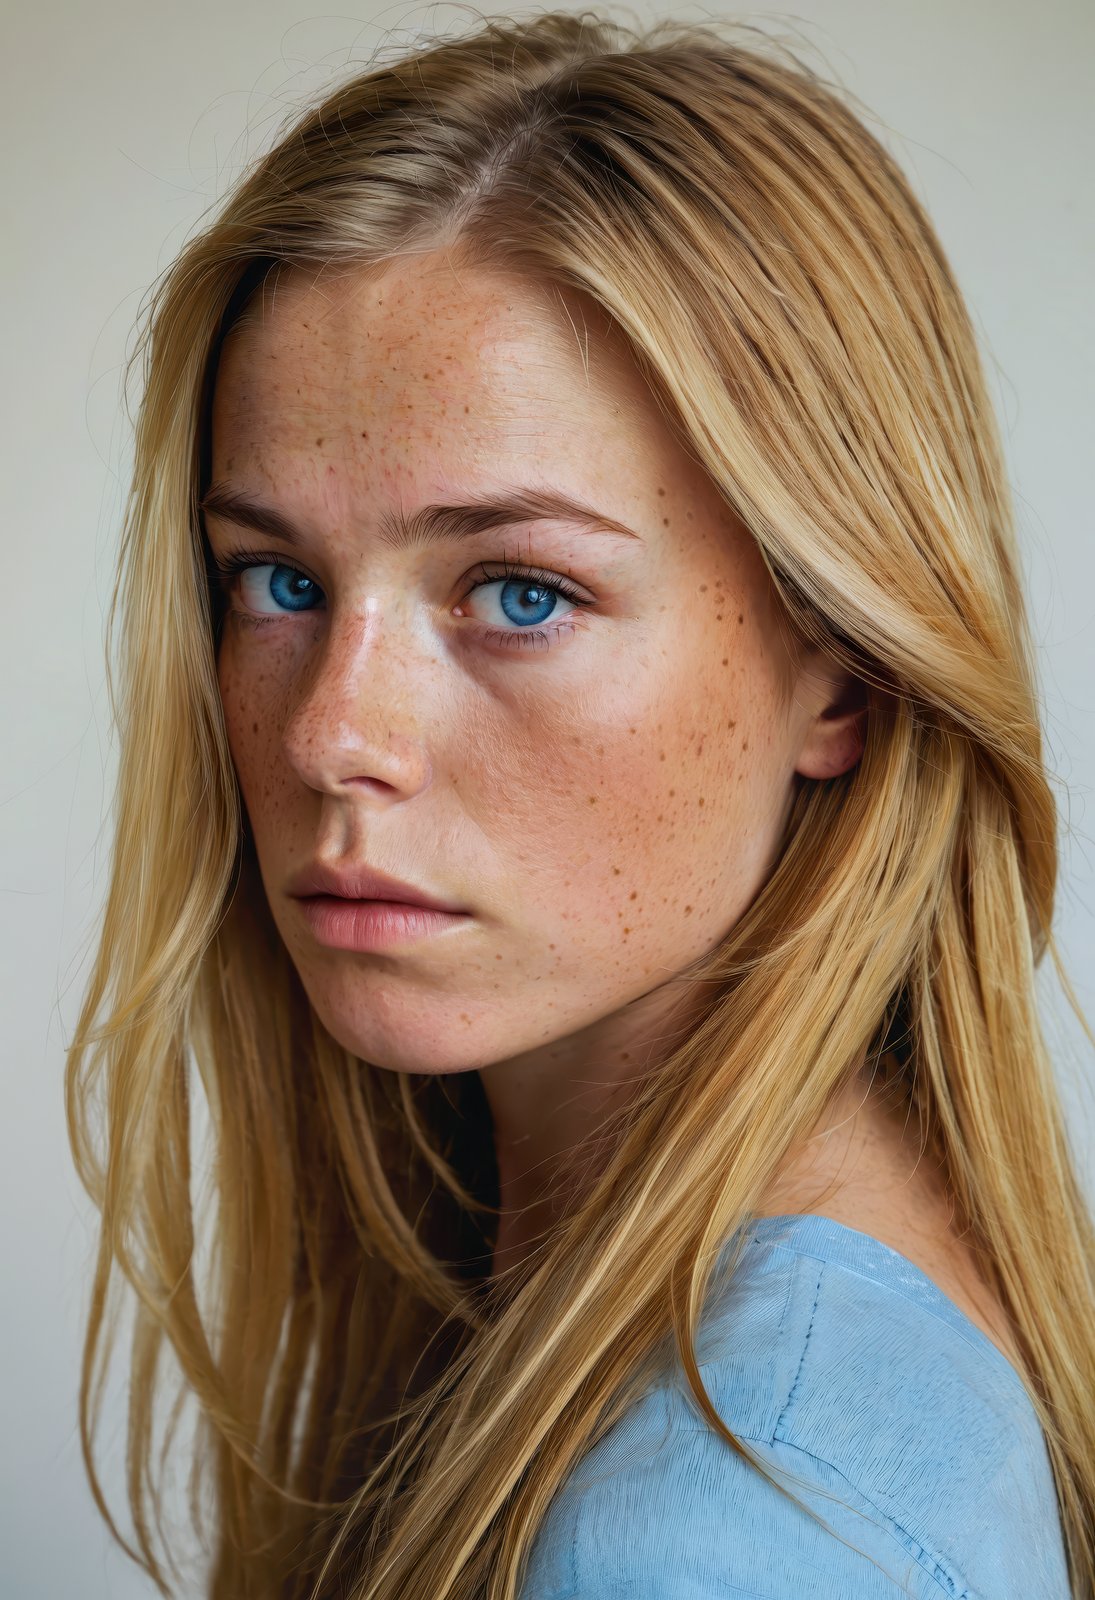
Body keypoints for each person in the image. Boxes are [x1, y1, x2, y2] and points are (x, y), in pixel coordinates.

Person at [66, 11, 1093, 1599]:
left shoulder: (735, 1520)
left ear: (846, 672)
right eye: (277, 579)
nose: (334, 732)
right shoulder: (697, 1342)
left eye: (521, 594)